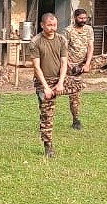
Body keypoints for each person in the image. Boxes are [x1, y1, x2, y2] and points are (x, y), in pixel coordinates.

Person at [30, 13, 85, 158]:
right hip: (44, 81)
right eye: (49, 25)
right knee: (47, 116)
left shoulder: (61, 39)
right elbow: (36, 67)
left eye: (54, 25)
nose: (52, 28)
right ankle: (48, 146)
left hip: (59, 79)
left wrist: (60, 83)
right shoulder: (36, 41)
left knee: (80, 84)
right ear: (42, 25)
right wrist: (46, 87)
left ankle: (51, 93)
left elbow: (63, 62)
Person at [64, 8, 107, 130]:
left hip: (84, 63)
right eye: (81, 18)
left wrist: (88, 64)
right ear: (75, 18)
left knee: (106, 57)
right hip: (71, 66)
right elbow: (63, 50)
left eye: (85, 18)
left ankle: (82, 71)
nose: (83, 20)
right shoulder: (68, 31)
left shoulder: (89, 30)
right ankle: (76, 119)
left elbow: (91, 47)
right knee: (75, 93)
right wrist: (69, 64)